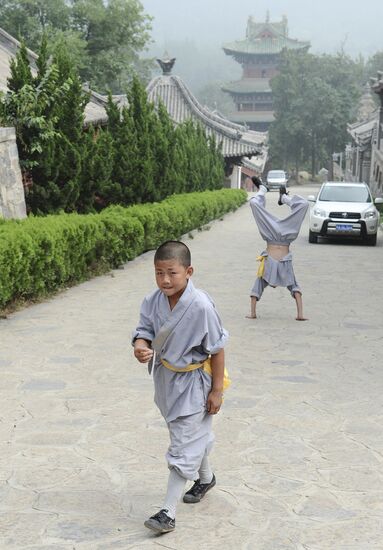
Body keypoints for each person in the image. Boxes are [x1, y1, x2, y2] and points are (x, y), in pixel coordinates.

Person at [132, 240, 229, 534]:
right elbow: (144, 332)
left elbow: (218, 348)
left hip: (195, 384)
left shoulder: (200, 306)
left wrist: (216, 391)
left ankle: (167, 513)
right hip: (166, 380)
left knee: (183, 445)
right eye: (159, 273)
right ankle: (206, 478)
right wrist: (140, 347)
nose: (165, 280)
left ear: (188, 271)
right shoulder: (152, 300)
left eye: (171, 273)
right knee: (188, 436)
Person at [248, 176, 309, 321]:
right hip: (272, 239)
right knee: (254, 204)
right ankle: (263, 189)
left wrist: (300, 316)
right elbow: (255, 291)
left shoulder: (284, 270)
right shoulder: (266, 274)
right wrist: (253, 314)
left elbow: (296, 289)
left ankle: (284, 198)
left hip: (284, 238)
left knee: (304, 204)